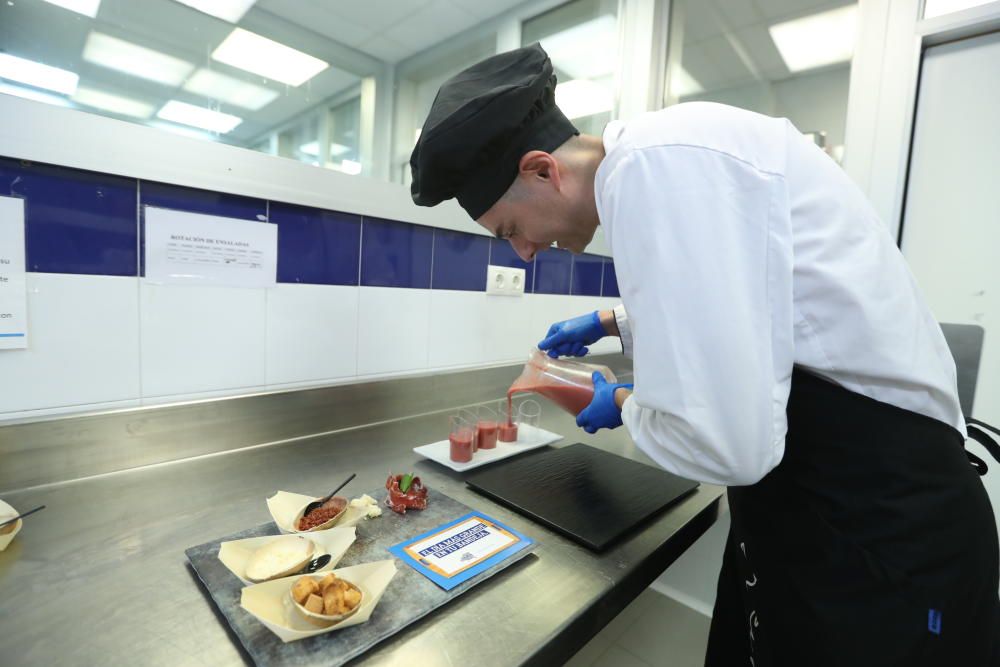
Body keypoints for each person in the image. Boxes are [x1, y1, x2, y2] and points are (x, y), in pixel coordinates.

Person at [409, 43, 1000, 665]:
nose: (523, 253)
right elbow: (756, 304)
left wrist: (624, 403)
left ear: (540, 170)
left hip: (880, 535)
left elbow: (729, 444)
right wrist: (614, 322)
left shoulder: (654, 172)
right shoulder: (669, 153)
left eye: (508, 230)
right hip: (821, 505)